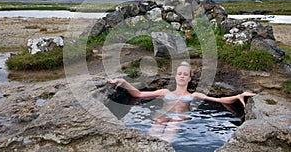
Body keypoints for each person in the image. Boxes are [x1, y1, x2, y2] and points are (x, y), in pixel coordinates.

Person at [108, 61, 256, 142]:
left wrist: (239, 95)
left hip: (178, 119)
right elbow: (139, 94)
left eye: (185, 74)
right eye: (179, 74)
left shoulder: (194, 95)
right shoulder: (165, 92)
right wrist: (124, 82)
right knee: (151, 139)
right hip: (161, 117)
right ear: (175, 77)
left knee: (167, 136)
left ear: (189, 79)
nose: (182, 76)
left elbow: (219, 100)